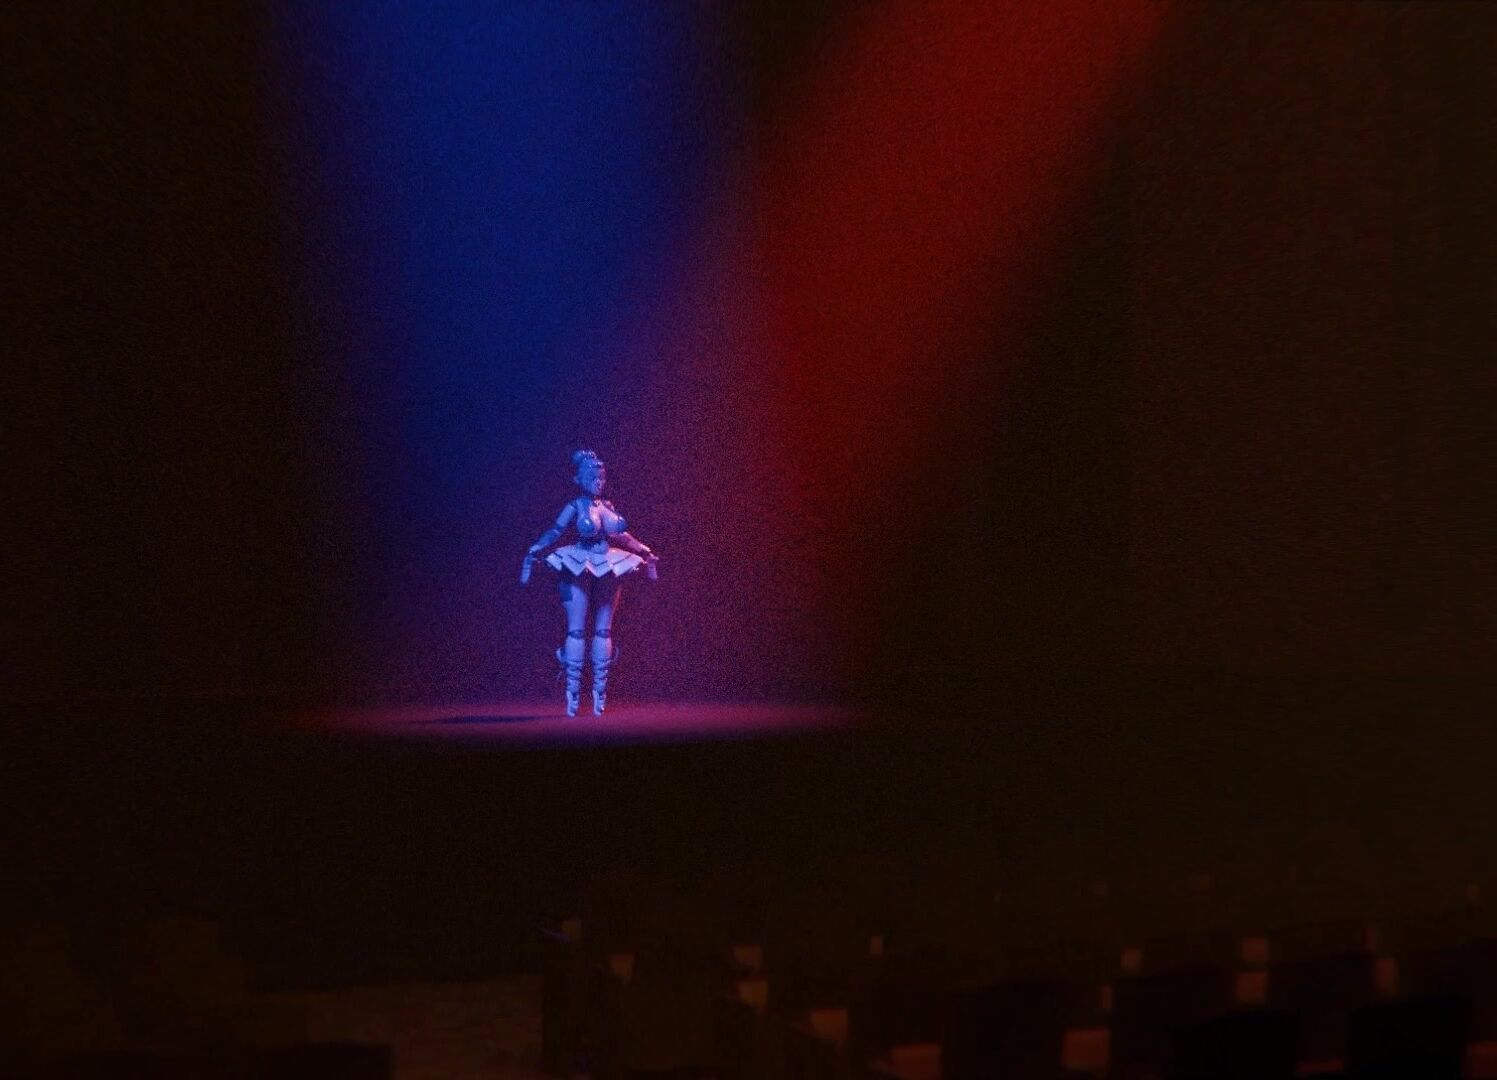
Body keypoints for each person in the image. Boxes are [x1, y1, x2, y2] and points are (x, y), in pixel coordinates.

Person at [521, 450, 658, 716]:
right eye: (592, 477)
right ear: (579, 479)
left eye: (601, 477)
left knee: (604, 630)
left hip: (607, 563)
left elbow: (622, 535)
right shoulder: (575, 505)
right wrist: (538, 545)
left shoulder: (608, 505)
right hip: (579, 563)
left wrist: (643, 549)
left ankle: (600, 690)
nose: (598, 482)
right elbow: (556, 530)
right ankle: (572, 690)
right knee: (576, 630)